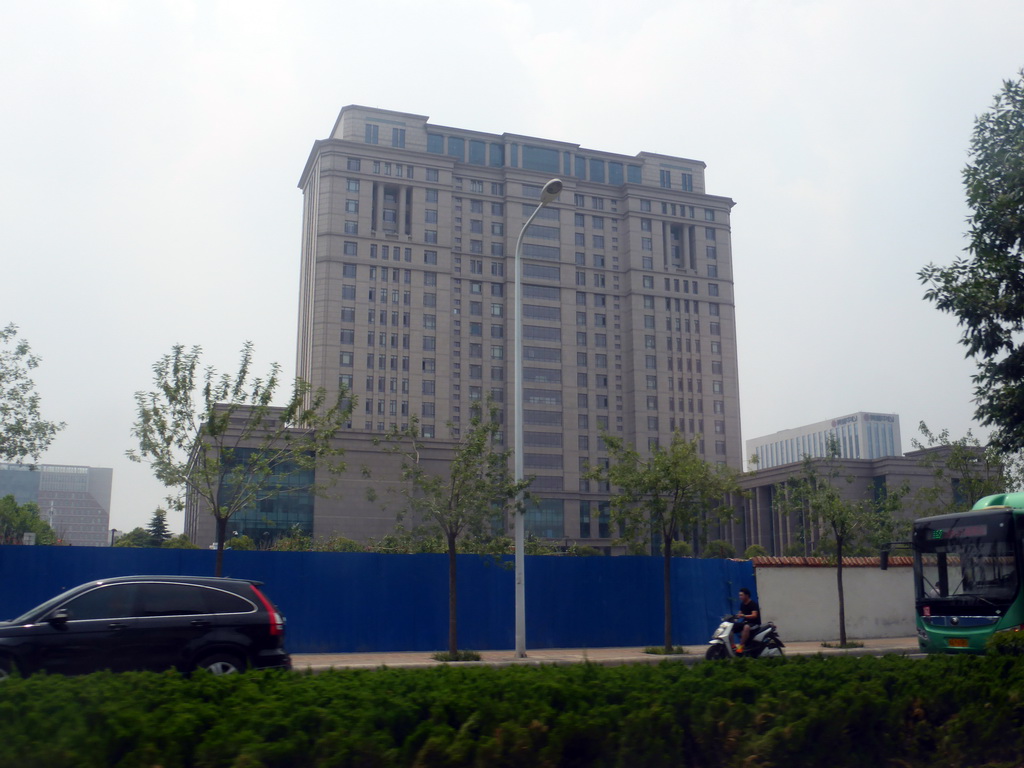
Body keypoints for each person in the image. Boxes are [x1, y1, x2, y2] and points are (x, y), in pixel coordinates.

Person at [734, 587, 760, 653]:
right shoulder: (742, 604)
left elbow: (754, 615)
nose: (740, 597)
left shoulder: (753, 604)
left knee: (746, 627)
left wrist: (744, 616)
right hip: (746, 622)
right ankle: (732, 646)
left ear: (747, 595)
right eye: (739, 595)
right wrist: (735, 617)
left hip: (754, 624)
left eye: (741, 595)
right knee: (731, 627)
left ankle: (741, 645)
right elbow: (740, 614)